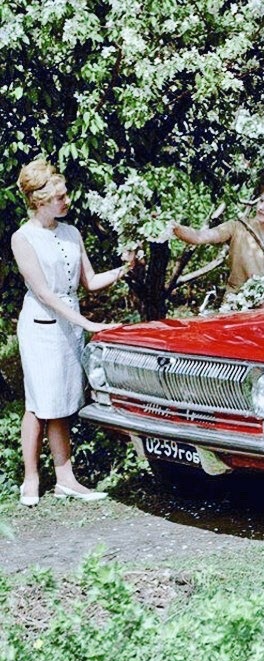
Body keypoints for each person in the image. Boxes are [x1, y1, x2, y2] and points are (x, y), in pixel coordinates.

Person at [12, 158, 134, 506]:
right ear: (39, 200)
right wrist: (89, 324)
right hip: (40, 326)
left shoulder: (71, 233)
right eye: (59, 197)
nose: (66, 202)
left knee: (62, 402)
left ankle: (65, 479)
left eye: (66, 195)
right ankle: (30, 479)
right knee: (39, 402)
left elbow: (90, 282)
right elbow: (45, 294)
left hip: (70, 325)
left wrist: (125, 267)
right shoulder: (23, 238)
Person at [171, 182, 264, 307]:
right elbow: (199, 237)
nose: (261, 207)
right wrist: (175, 228)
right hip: (234, 308)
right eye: (261, 201)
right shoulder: (238, 227)